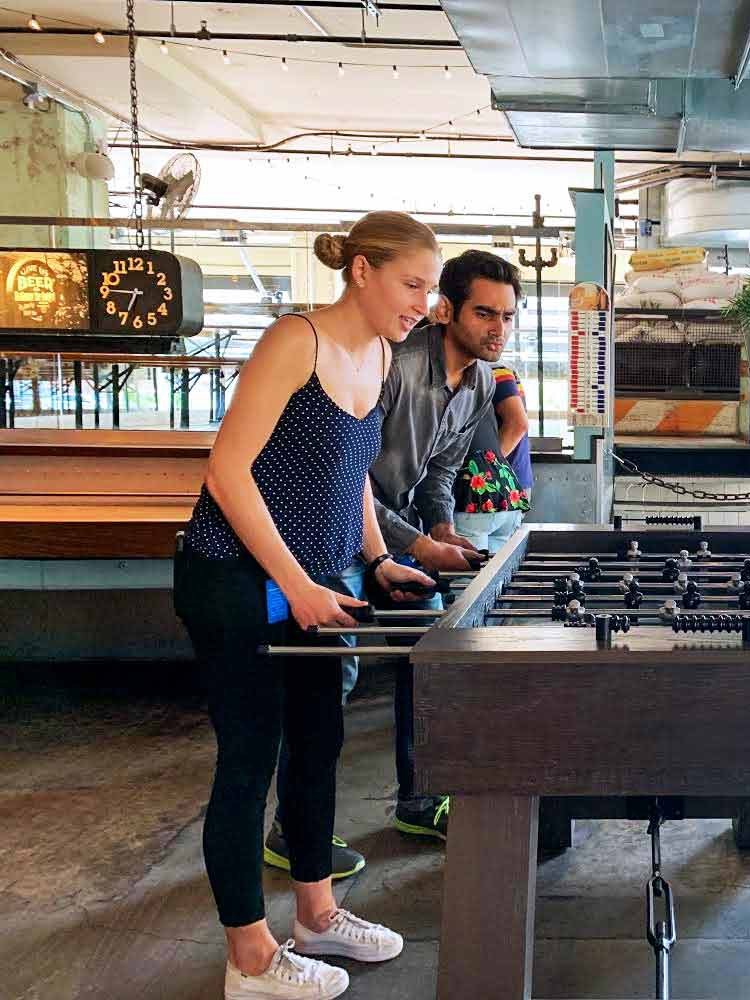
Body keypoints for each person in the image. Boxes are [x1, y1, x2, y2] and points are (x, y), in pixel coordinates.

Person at [174, 211, 440, 999]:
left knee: (318, 745)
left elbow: (353, 467)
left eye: (429, 287)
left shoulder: (383, 353)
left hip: (323, 583)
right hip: (233, 578)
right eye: (411, 283)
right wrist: (294, 583)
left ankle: (317, 914)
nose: (423, 302)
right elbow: (228, 472)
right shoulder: (295, 341)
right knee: (249, 760)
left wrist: (378, 557)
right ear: (361, 271)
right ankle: (249, 960)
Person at [370, 248, 522, 839]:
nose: (498, 329)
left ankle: (418, 800)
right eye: (485, 313)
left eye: (507, 316)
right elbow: (347, 479)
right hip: (339, 538)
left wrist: (439, 527)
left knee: (425, 664)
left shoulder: (481, 381)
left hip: (403, 530)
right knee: (328, 686)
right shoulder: (395, 365)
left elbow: (438, 470)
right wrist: (417, 543)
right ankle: (296, 828)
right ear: (446, 308)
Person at [452, 361, 532, 552]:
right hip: (510, 489)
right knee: (496, 572)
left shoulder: (492, 369)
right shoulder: (497, 369)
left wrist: (488, 471)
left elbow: (517, 424)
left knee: (470, 576)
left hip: (485, 489)